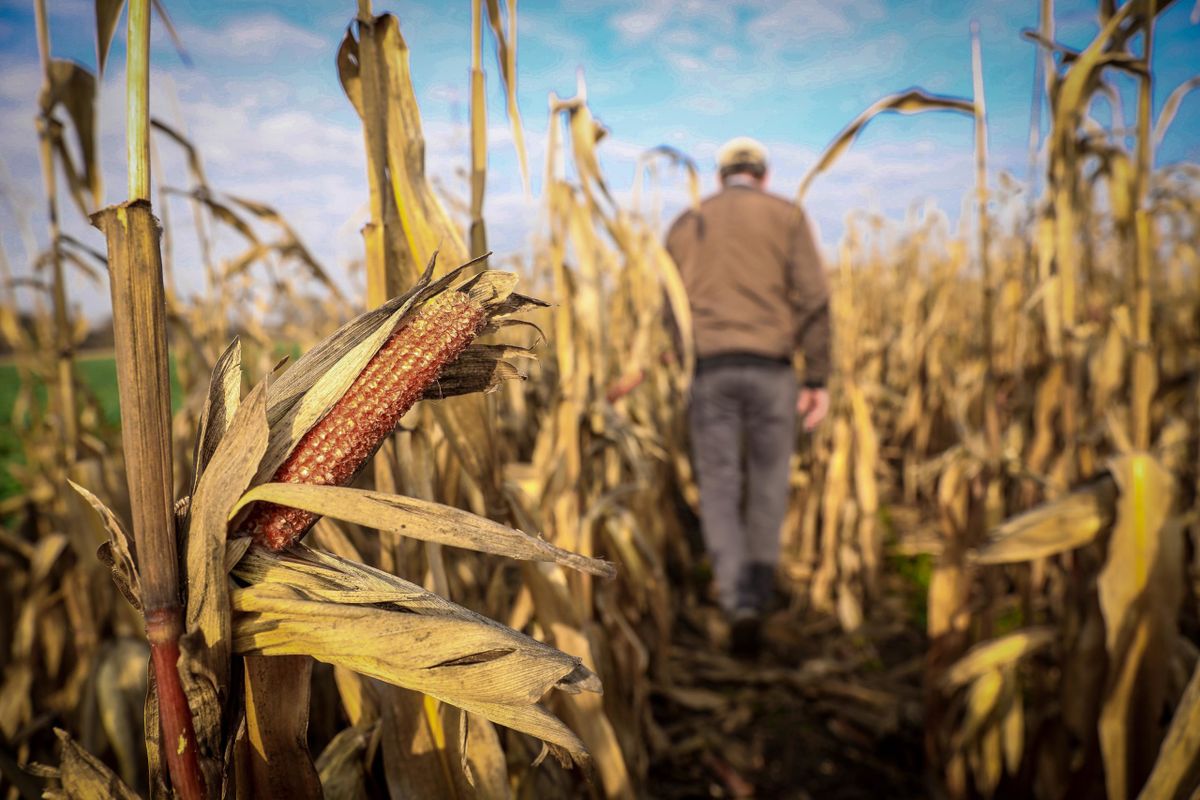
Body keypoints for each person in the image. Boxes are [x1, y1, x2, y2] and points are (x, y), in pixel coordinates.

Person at [665, 136, 831, 654]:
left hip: (710, 373)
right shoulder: (786, 215)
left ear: (721, 176)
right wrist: (818, 377)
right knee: (767, 483)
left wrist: (681, 353)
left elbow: (668, 303)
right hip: (773, 374)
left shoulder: (687, 222)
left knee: (718, 486)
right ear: (762, 173)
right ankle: (757, 597)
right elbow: (816, 298)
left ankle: (735, 599)